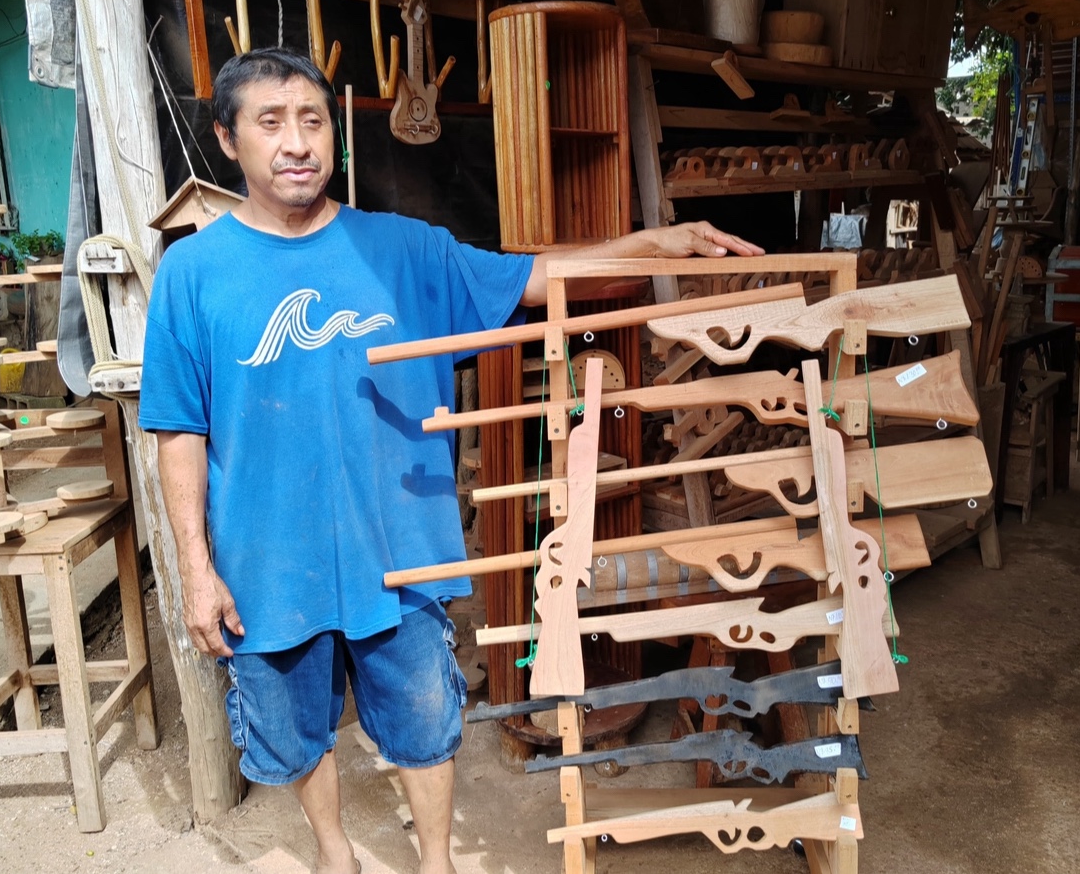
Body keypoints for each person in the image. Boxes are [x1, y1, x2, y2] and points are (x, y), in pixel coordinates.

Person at [139, 47, 762, 874]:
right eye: (271, 121)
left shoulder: (403, 250)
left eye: (313, 120)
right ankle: (335, 851)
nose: (296, 143)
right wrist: (196, 568)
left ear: (335, 135)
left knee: (425, 720)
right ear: (228, 138)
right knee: (292, 731)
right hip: (268, 560)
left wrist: (654, 242)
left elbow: (537, 277)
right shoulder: (192, 272)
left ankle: (436, 860)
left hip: (402, 550)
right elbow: (178, 428)